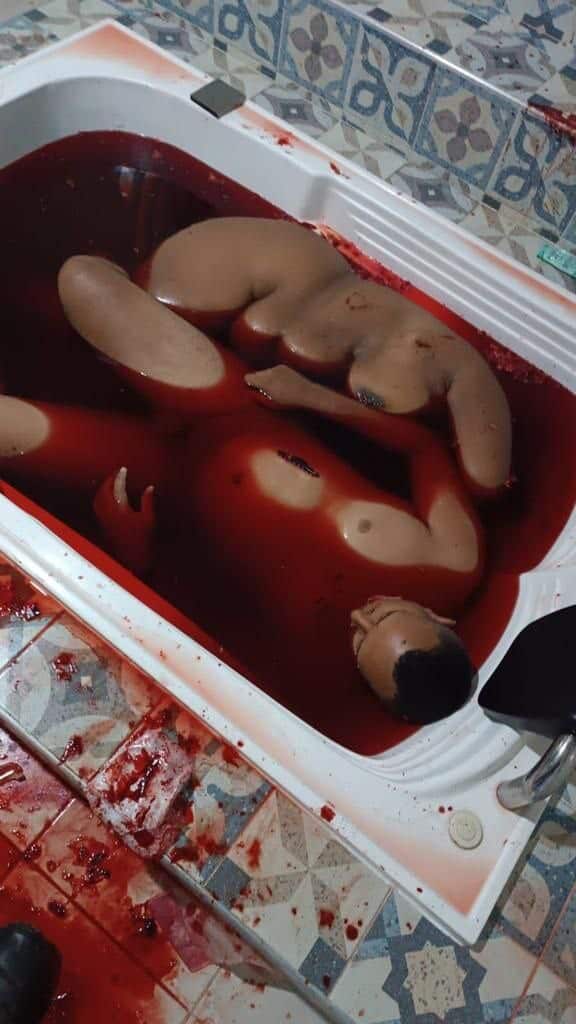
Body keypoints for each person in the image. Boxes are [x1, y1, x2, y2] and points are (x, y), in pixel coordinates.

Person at [0, 223, 511, 727]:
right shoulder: (453, 560)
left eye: (359, 641)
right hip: (240, 407)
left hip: (169, 486)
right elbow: (422, 448)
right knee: (83, 279)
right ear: (438, 620)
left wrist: (134, 550)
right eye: (384, 615)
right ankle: (37, 305)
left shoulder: (305, 666)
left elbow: (193, 625)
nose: (360, 615)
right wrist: (311, 397)